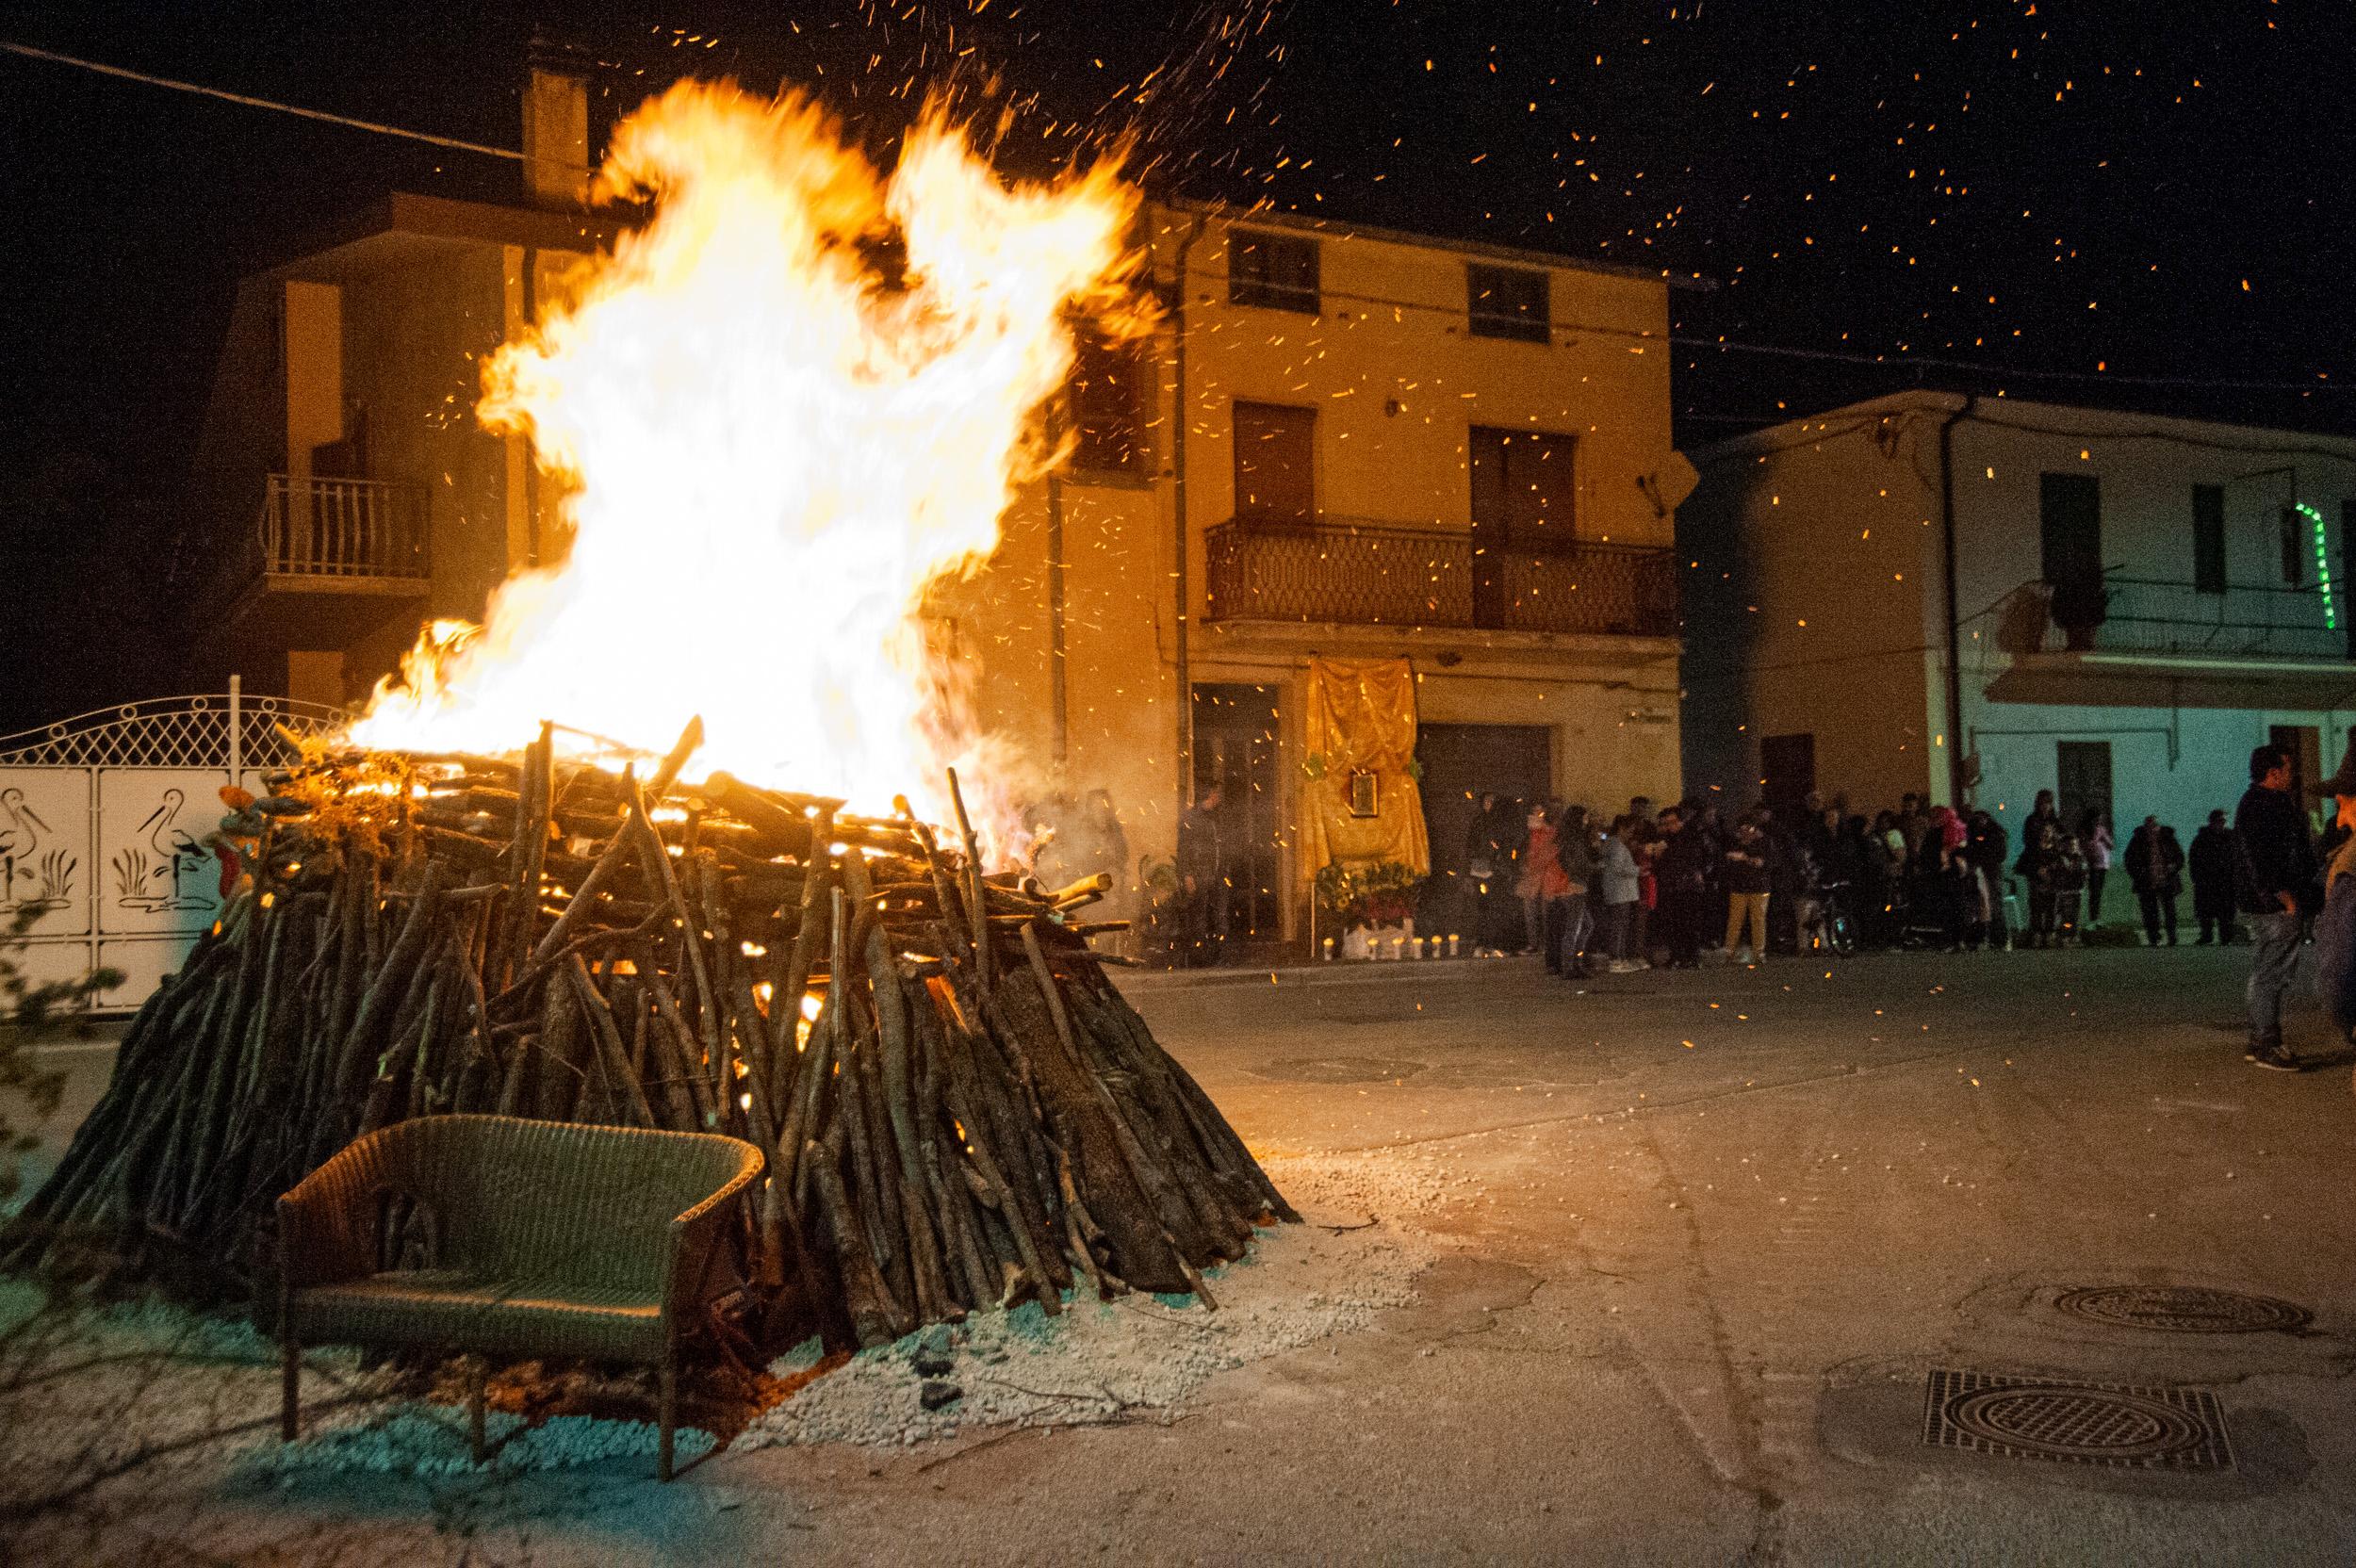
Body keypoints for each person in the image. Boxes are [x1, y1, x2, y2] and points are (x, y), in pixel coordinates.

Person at [2236, 744, 2319, 1071]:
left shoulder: (2262, 803)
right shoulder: (2263, 805)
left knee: (2266, 971)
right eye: (2287, 769)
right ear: (2273, 772)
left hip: (2268, 900)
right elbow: (2260, 856)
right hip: (2273, 903)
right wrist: (2283, 895)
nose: (2292, 774)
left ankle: (2259, 1039)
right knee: (2272, 973)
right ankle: (2266, 1044)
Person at [2309, 741, 2356, 1052]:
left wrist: (2348, 1022)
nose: (2339, 819)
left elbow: (2336, 974)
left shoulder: (2350, 866)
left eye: (2342, 803)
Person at [1175, 784, 1228, 966]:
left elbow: (1221, 846)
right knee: (1200, 918)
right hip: (1199, 873)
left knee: (1219, 917)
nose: (1220, 798)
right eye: (1217, 794)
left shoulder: (1218, 818)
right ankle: (1200, 959)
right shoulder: (1190, 818)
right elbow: (1183, 850)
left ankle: (1219, 957)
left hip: (1217, 874)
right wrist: (1187, 875)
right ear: (1211, 794)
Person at [1464, 792, 1521, 956]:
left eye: (1493, 801)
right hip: (1481, 870)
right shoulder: (1478, 822)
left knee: (1497, 908)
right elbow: (1471, 846)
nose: (1490, 804)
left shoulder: (1502, 823)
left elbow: (1506, 846)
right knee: (1483, 908)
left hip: (1496, 871)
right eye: (1487, 801)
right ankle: (1482, 942)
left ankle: (1497, 943)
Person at [1518, 802, 1571, 972]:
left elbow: (1549, 853)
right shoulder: (1528, 832)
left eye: (1540, 812)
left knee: (1547, 913)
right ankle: (1533, 943)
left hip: (1547, 877)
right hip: (1531, 877)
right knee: (1530, 911)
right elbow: (1524, 851)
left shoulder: (1552, 831)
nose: (1537, 815)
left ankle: (1546, 947)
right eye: (1534, 811)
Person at [1656, 805, 1709, 969]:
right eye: (1667, 823)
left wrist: (1666, 851)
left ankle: (1692, 956)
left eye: (1673, 822)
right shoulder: (1668, 838)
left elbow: (1693, 858)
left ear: (1681, 821)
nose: (1669, 826)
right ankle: (1677, 956)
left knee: (1690, 923)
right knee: (1674, 924)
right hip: (1672, 886)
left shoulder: (1692, 836)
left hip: (1688, 886)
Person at [2124, 814, 2183, 947]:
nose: (2152, 830)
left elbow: (2179, 857)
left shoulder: (2168, 839)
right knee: (2150, 912)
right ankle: (2154, 937)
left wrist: (2173, 866)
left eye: (2154, 826)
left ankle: (2172, 937)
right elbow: (2129, 860)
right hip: (2146, 881)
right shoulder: (2138, 840)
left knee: (2169, 911)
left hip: (2167, 879)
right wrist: (2139, 874)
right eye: (2149, 826)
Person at [1722, 815, 1772, 963]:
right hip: (1739, 886)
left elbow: (1765, 863)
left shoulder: (1764, 842)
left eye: (1748, 828)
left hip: (1759, 886)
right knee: (1735, 920)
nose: (1745, 831)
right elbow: (1727, 861)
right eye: (1742, 828)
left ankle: (1759, 953)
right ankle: (1729, 952)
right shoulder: (1735, 842)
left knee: (1758, 920)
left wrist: (1746, 858)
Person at [1596, 816, 1644, 972]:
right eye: (1629, 831)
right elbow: (1618, 868)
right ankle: (1616, 959)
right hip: (1621, 892)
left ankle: (1619, 958)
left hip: (1617, 891)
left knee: (1619, 926)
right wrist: (1638, 870)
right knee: (1619, 927)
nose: (1631, 834)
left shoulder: (1610, 844)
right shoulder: (1617, 846)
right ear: (1621, 828)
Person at [1555, 806, 1597, 976]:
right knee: (1575, 927)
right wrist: (1597, 866)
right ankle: (1570, 967)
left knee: (1585, 925)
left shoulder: (1568, 839)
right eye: (1585, 818)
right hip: (1575, 886)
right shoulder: (1575, 840)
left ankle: (1575, 963)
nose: (1586, 821)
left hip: (1571, 885)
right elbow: (1578, 865)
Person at [2189, 808, 2240, 945]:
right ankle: (2207, 936)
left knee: (2226, 911)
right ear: (2212, 822)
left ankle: (2226, 937)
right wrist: (2198, 878)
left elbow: (2237, 858)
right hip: (2207, 881)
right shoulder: (2201, 839)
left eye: (2223, 821)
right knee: (2206, 911)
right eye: (2219, 821)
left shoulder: (2231, 837)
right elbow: (2194, 860)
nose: (2222, 824)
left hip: (2226, 881)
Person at [2016, 820, 2059, 948]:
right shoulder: (2032, 848)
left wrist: (2050, 871)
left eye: (2048, 831)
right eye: (2043, 831)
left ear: (2052, 833)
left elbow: (2061, 864)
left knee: (2051, 909)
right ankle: (2037, 935)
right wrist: (2036, 870)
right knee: (2036, 909)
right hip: (2035, 882)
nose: (2046, 834)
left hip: (2051, 882)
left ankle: (2049, 934)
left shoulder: (2056, 848)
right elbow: (2021, 866)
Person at [2079, 808, 2113, 928]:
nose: (2099, 820)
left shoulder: (2102, 829)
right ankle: (2093, 918)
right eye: (2097, 818)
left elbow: (2111, 845)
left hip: (2103, 864)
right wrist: (2096, 839)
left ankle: (2096, 918)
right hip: (2092, 865)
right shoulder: (2085, 831)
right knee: (2094, 892)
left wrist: (2104, 838)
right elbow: (2084, 846)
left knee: (2098, 893)